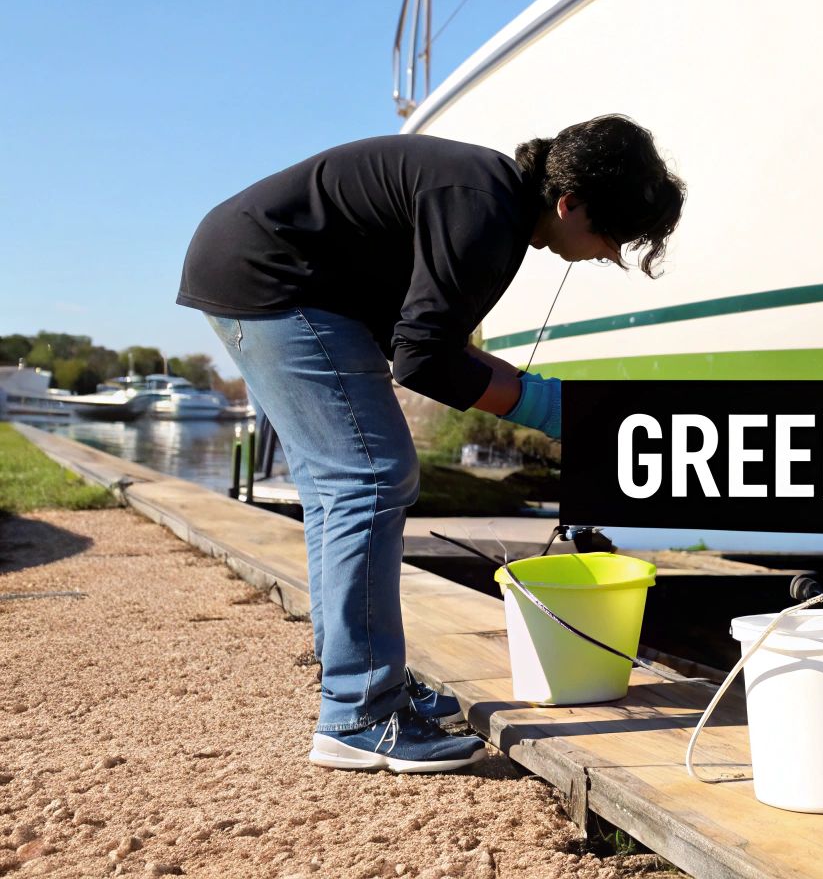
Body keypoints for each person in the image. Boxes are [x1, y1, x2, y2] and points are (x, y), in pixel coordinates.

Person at [175, 115, 684, 772]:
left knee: (341, 492)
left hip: (252, 268)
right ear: (570, 204)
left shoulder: (491, 200)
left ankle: (359, 683)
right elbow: (422, 363)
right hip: (272, 279)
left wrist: (561, 407)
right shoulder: (484, 212)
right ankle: (358, 713)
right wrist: (551, 411)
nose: (610, 254)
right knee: (373, 478)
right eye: (612, 236)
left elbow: (439, 347)